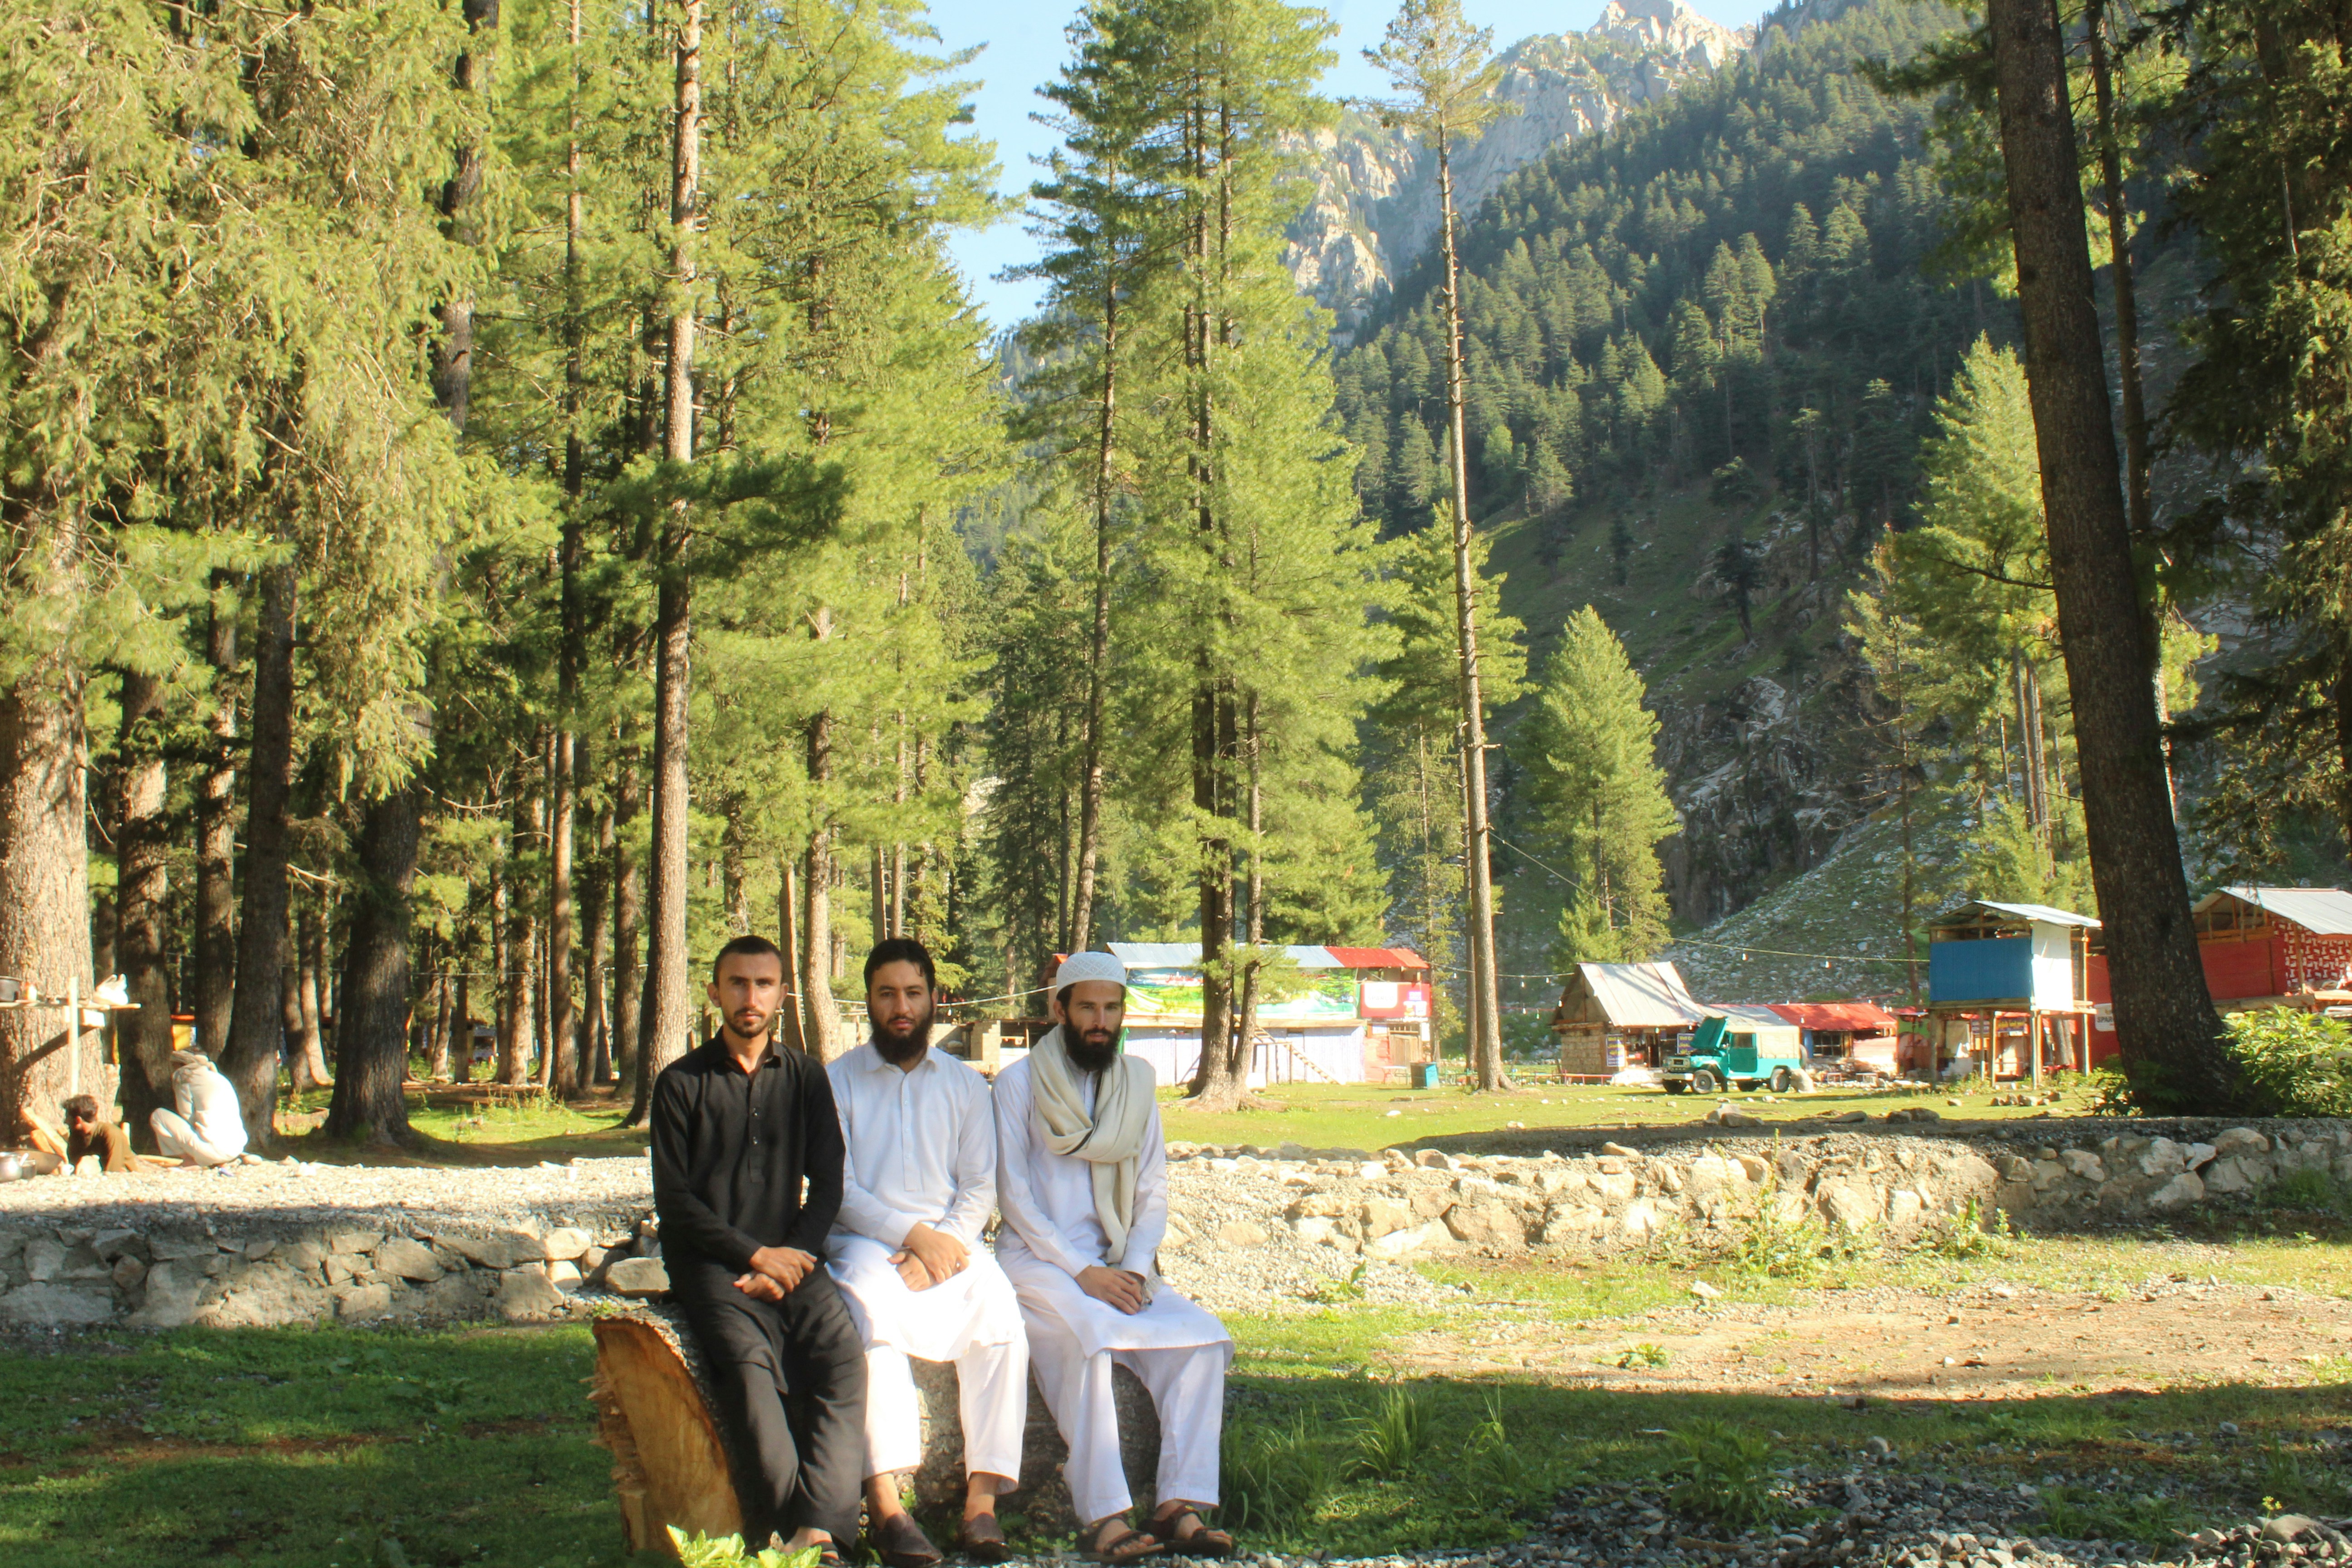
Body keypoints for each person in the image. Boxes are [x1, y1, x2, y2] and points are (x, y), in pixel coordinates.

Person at [995, 951, 1235, 1564]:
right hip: (1040, 1261)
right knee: (1091, 1340)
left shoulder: (1137, 1083)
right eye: (1087, 1008)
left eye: (1111, 1008)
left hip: (1121, 1259)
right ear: (1060, 1011)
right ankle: (1104, 1515)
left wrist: (1133, 1266)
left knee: (1202, 1340)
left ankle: (1178, 1504)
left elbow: (1152, 1189)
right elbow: (1014, 1197)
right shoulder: (1019, 1084)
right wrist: (1083, 1273)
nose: (1100, 1021)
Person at [651, 935, 867, 1561]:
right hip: (711, 1265)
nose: (751, 997)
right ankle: (793, 1529)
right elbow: (676, 1202)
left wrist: (791, 1256)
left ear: (781, 994)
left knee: (843, 1360)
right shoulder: (680, 1083)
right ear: (714, 992)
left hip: (793, 1257)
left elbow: (829, 1183)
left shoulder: (805, 1077)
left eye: (764, 984)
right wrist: (754, 1257)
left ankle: (823, 1527)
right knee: (750, 1373)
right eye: (738, 984)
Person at [827, 937, 1025, 1566]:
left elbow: (980, 1185)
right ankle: (889, 1509)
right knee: (869, 1319)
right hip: (866, 1245)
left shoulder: (965, 1085)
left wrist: (945, 1245)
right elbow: (839, 1189)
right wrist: (914, 1238)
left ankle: (981, 1504)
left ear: (935, 998)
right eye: (887, 994)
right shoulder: (837, 1081)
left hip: (952, 1245)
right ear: (869, 1001)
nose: (902, 1007)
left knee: (1000, 1312)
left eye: (914, 993)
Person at [152, 1049, 248, 1166]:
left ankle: (189, 1160)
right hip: (236, 1148)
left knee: (158, 1115)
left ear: (181, 1064)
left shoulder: (185, 1077)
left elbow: (186, 1115)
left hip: (211, 1150)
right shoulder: (219, 1077)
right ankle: (221, 1160)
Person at [63, 1096, 136, 1173]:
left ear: (78, 1120)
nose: (66, 1122)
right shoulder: (77, 1136)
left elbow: (113, 1173)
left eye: (68, 1118)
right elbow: (74, 1166)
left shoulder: (111, 1134)